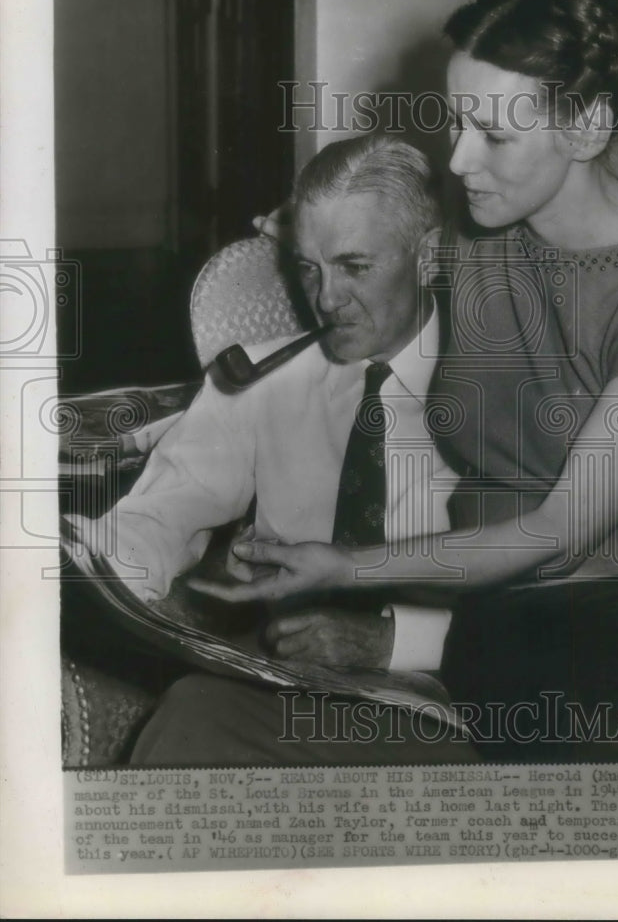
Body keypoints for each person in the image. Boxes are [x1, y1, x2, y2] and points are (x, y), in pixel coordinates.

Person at [225, 0, 618, 762]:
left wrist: (345, 569)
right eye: (455, 122)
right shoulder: (474, 220)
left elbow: (560, 530)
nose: (457, 160)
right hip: (501, 620)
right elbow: (379, 224)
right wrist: (317, 234)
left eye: (494, 134)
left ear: (587, 127)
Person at [74, 134, 481, 766]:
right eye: (309, 268)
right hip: (288, 691)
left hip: (458, 699)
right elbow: (164, 512)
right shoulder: (263, 379)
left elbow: (555, 599)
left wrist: (391, 641)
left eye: (354, 266)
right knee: (193, 714)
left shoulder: (503, 387)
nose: (325, 299)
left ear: (427, 255)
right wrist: (92, 567)